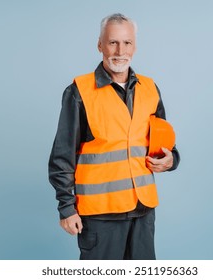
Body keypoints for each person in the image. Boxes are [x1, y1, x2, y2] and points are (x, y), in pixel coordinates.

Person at [48, 13, 180, 260]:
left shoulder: (150, 88)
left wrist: (172, 159)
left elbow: (164, 142)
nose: (120, 50)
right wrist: (66, 208)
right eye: (113, 42)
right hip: (100, 216)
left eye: (127, 42)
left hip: (142, 212)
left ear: (135, 46)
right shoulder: (79, 92)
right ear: (100, 45)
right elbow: (61, 157)